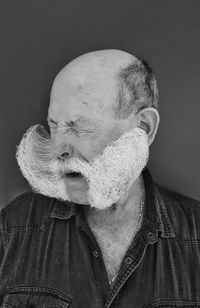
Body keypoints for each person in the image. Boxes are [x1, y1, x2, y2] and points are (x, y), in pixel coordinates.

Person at [0, 49, 200, 308]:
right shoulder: (12, 228)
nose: (58, 147)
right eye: (54, 125)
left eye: (77, 126)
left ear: (144, 128)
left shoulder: (195, 237)